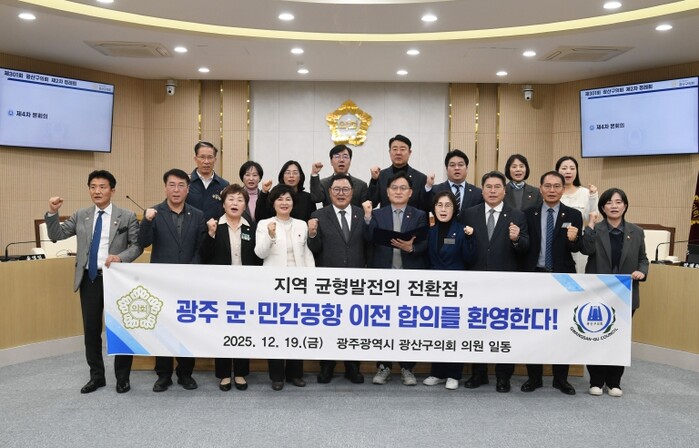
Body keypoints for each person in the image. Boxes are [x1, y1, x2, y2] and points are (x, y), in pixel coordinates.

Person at [45, 170, 143, 394]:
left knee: (121, 330)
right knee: (91, 330)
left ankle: (122, 378)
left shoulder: (126, 216)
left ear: (112, 190)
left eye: (102, 187)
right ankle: (96, 376)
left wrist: (120, 257)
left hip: (116, 279)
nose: (97, 191)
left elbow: (137, 246)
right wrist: (52, 212)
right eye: (93, 187)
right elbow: (57, 235)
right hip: (90, 278)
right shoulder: (81, 215)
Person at [138, 168, 207, 392]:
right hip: (161, 282)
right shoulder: (154, 213)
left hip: (189, 281)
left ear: (188, 189)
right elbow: (143, 242)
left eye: (181, 185)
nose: (176, 190)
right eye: (172, 185)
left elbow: (201, 248)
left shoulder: (197, 215)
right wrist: (146, 221)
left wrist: (191, 270)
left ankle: (185, 373)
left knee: (187, 328)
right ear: (165, 187)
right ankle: (164, 374)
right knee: (163, 328)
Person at [461, 171, 529, 393]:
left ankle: (503, 376)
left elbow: (525, 248)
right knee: (476, 328)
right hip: (475, 281)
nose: (492, 191)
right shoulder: (469, 214)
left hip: (505, 283)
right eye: (488, 187)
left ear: (504, 190)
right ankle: (478, 373)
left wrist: (516, 239)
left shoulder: (517, 215)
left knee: (504, 330)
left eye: (497, 187)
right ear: (482, 190)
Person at [581, 187, 649, 397]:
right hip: (599, 293)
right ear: (602, 207)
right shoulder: (596, 229)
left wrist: (642, 271)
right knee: (596, 335)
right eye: (609, 202)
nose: (614, 206)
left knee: (618, 338)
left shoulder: (636, 232)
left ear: (625, 206)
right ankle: (596, 380)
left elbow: (643, 259)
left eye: (618, 202)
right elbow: (586, 249)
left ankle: (614, 382)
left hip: (625, 294)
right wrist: (590, 225)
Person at [521, 171, 582, 396]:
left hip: (562, 277)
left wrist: (574, 239)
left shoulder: (573, 215)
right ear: (540, 189)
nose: (552, 190)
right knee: (533, 328)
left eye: (557, 186)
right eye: (547, 186)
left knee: (562, 329)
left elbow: (577, 248)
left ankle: (561, 379)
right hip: (534, 276)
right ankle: (534, 378)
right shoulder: (528, 214)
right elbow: (523, 245)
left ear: (563, 189)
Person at [364, 171, 428, 386]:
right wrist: (367, 217)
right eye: (394, 188)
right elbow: (368, 237)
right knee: (383, 324)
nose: (398, 192)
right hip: (384, 279)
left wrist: (412, 248)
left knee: (408, 324)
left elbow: (425, 243)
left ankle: (407, 367)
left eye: (403, 188)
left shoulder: (419, 215)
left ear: (410, 193)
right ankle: (383, 366)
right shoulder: (378, 214)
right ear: (387, 192)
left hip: (410, 279)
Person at [198, 184, 262, 392]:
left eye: (240, 200)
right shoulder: (214, 225)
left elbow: (258, 259)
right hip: (221, 288)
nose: (235, 203)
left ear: (245, 205)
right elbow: (204, 255)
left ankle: (241, 373)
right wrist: (210, 234)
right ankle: (224, 374)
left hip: (246, 287)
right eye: (231, 199)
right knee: (223, 330)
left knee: (243, 329)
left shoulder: (251, 228)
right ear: (224, 204)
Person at [255, 184, 315, 390]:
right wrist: (270, 236)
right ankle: (277, 376)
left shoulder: (301, 225)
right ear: (273, 203)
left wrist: (311, 279)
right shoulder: (264, 224)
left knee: (296, 330)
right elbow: (260, 253)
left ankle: (295, 374)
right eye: (280, 199)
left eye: (288, 199)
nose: (284, 203)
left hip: (298, 285)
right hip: (275, 286)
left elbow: (307, 254)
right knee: (276, 331)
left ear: (293, 203)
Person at [307, 174, 367, 384]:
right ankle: (327, 366)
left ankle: (353, 367)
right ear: (330, 192)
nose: (341, 194)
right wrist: (312, 234)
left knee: (354, 325)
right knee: (328, 325)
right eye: (337, 190)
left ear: (352, 192)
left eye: (345, 190)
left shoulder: (362, 214)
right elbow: (315, 249)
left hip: (356, 281)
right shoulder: (318, 215)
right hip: (329, 281)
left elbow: (368, 245)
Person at [422, 191, 476, 390]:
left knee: (454, 331)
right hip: (435, 289)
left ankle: (454, 374)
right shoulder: (430, 231)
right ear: (434, 208)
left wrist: (470, 238)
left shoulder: (462, 230)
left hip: (456, 289)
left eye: (448, 205)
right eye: (439, 205)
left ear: (455, 209)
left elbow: (470, 258)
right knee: (437, 332)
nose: (443, 209)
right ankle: (437, 372)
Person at [556, 156, 598, 273]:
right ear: (557, 171)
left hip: (578, 242)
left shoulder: (585, 193)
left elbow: (591, 217)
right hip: (557, 242)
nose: (568, 171)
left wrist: (593, 197)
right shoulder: (553, 193)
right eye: (564, 168)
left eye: (572, 168)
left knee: (579, 276)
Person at [368, 134, 430, 211]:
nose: (398, 153)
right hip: (386, 218)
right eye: (394, 149)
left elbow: (425, 208)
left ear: (409, 152)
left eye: (402, 149)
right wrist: (374, 180)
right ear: (389, 152)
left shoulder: (420, 178)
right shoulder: (381, 176)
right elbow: (372, 203)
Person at [427, 149, 483, 221]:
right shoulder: (435, 190)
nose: (457, 168)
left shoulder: (477, 193)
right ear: (446, 169)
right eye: (452, 165)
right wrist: (428, 186)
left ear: (466, 168)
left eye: (460, 165)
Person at [187, 141, 230, 222]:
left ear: (215, 160)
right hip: (190, 228)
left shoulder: (224, 185)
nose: (206, 161)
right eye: (202, 157)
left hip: (215, 228)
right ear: (195, 159)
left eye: (210, 157)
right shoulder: (186, 182)